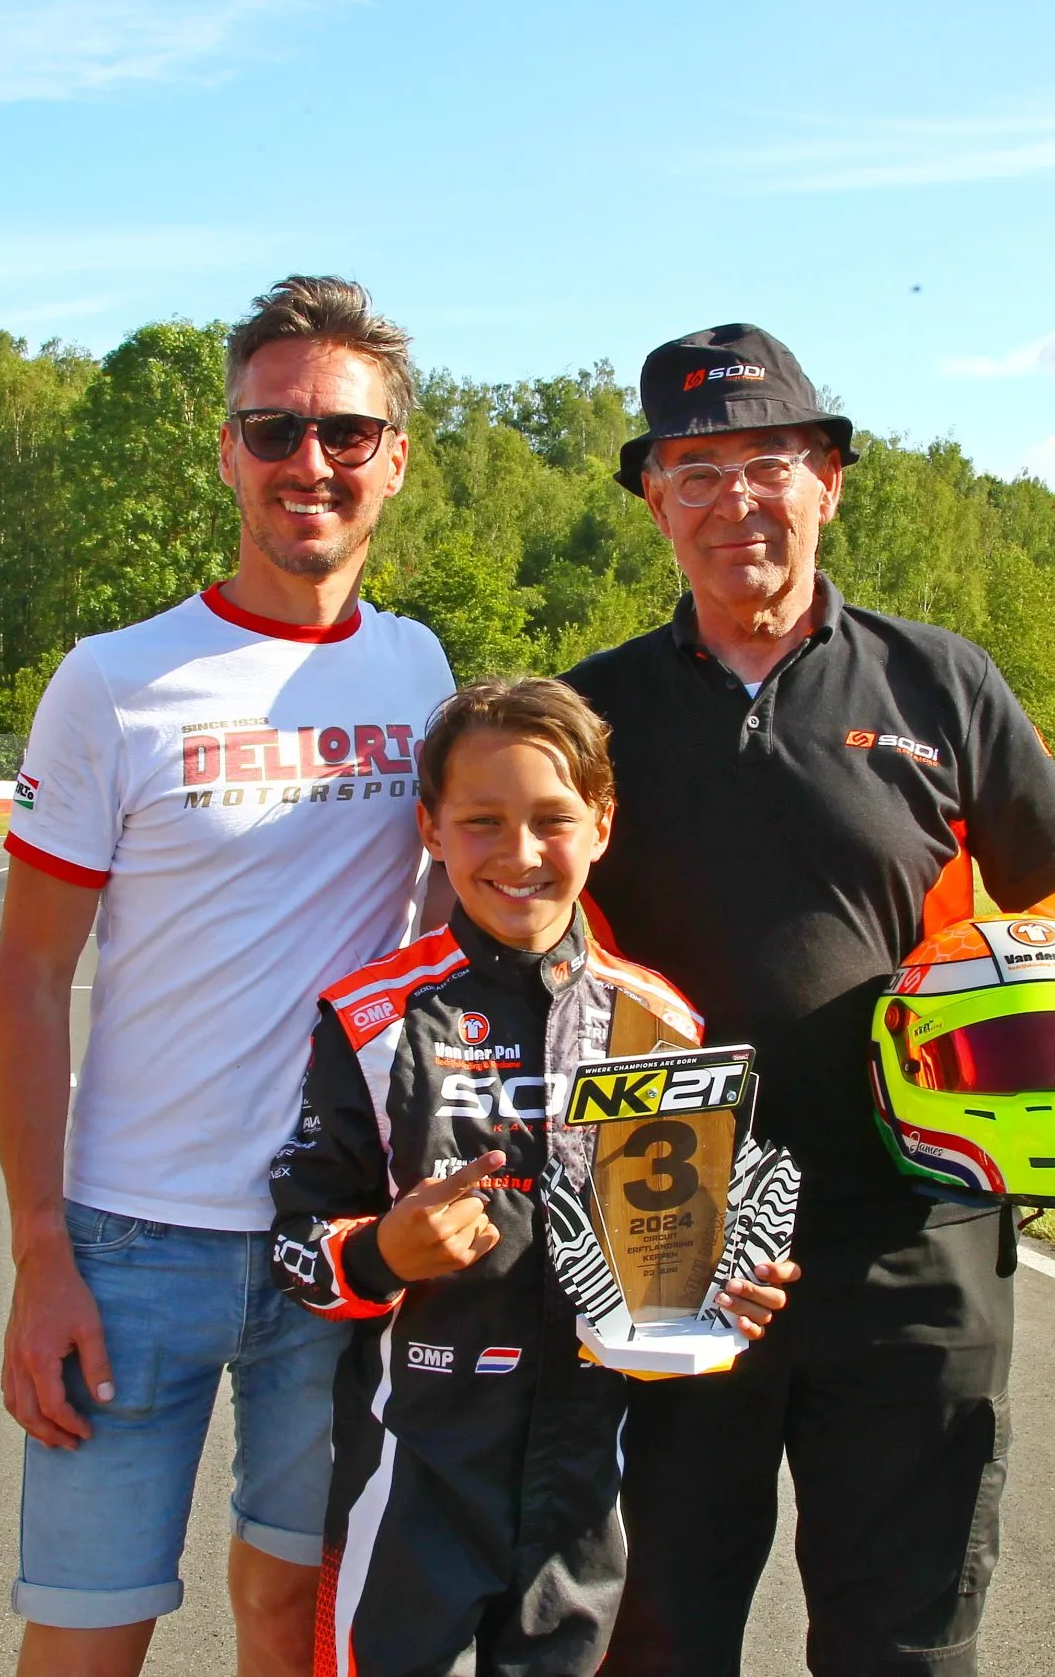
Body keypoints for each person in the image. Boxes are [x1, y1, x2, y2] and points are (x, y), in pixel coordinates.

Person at [565, 324, 1055, 1677]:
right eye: (695, 469)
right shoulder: (592, 712)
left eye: (767, 462)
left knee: (906, 1645)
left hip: (920, 1224)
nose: (734, 498)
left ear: (829, 478)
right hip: (675, 1218)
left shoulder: (941, 679)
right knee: (662, 1640)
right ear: (652, 498)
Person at [0, 276, 455, 1677]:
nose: (310, 462)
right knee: (86, 1624)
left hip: (341, 1238)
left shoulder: (420, 666)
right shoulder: (116, 678)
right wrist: (36, 1254)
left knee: (297, 1608)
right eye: (274, 429)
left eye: (346, 433)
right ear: (226, 449)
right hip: (135, 1238)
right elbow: (25, 969)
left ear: (396, 456)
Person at [268, 678, 799, 1677]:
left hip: (584, 1479)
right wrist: (382, 1251)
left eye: (552, 821)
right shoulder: (373, 1018)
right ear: (430, 828)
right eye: (482, 822)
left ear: (600, 825)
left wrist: (727, 1292)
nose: (518, 855)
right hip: (414, 1460)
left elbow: (677, 1261)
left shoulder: (660, 1023)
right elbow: (295, 1243)